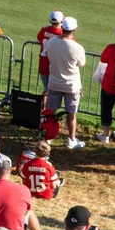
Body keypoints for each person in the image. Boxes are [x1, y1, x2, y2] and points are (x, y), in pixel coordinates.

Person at [42, 14, 86, 150]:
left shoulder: (52, 42)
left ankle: (48, 137)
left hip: (54, 82)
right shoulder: (77, 48)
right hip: (71, 85)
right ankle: (71, 139)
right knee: (71, 113)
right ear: (73, 31)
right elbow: (81, 64)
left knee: (51, 111)